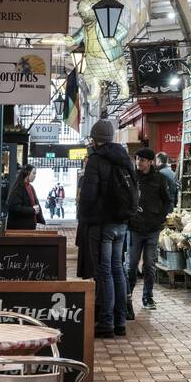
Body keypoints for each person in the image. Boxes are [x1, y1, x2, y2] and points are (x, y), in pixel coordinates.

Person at [76, 119, 139, 339]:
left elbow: (88, 195)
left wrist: (84, 217)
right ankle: (121, 321)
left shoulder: (96, 160)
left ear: (96, 139)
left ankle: (106, 323)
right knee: (118, 270)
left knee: (104, 272)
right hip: (121, 223)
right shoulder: (125, 159)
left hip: (101, 224)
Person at [127, 148, 175, 315]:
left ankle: (148, 297)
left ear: (150, 162)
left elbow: (168, 201)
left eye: (142, 160)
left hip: (152, 229)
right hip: (134, 229)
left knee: (149, 265)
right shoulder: (132, 178)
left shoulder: (159, 179)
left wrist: (159, 219)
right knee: (131, 265)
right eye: (137, 159)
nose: (139, 162)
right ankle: (127, 297)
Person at [7, 166, 44, 230]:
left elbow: (36, 204)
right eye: (34, 173)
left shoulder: (30, 187)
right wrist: (32, 210)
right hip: (19, 228)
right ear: (28, 173)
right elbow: (14, 208)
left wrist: (41, 221)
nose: (35, 176)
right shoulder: (18, 188)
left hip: (29, 226)